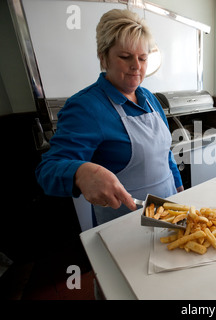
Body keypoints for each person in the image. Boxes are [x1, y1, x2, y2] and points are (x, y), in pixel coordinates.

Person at [36, 9, 183, 225]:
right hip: (123, 225)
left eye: (143, 58)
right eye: (125, 57)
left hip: (169, 213)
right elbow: (47, 171)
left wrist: (180, 191)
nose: (136, 66)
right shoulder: (86, 107)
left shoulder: (150, 99)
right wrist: (79, 172)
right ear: (104, 57)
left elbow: (164, 155)